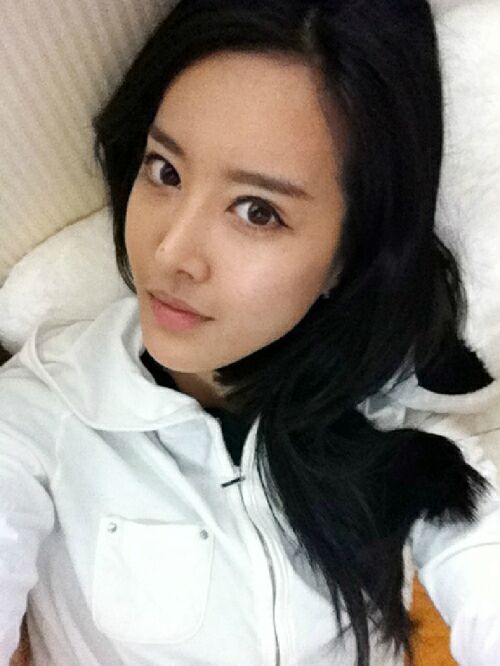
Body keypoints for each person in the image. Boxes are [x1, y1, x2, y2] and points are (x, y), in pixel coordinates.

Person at [1, 0, 500, 664]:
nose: (171, 253)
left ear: (350, 253)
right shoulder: (41, 415)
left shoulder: (400, 421)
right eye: (165, 171)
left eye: (257, 211)